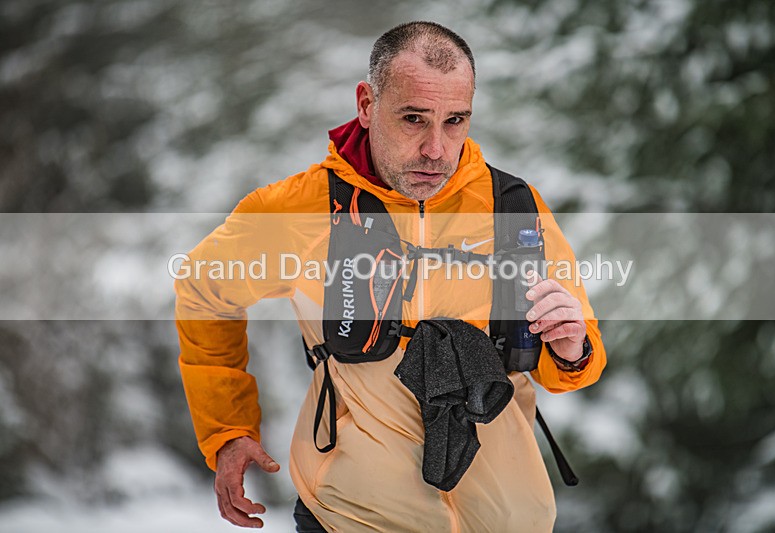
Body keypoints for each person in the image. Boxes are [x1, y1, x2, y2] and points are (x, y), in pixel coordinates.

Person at [175, 21, 606, 532]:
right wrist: (228, 430)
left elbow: (573, 363)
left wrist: (572, 348)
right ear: (366, 103)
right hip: (353, 516)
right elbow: (203, 290)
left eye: (455, 121)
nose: (435, 149)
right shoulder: (301, 209)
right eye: (413, 119)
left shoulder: (513, 208)